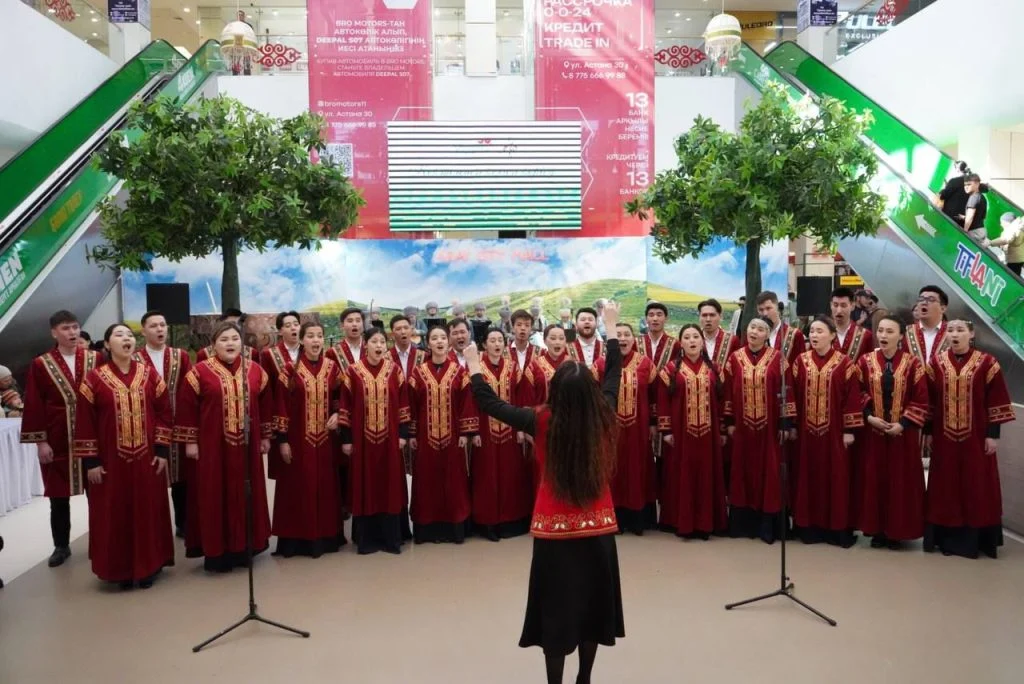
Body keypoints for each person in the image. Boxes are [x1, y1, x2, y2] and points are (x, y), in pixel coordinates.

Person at [465, 301, 624, 684]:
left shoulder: (539, 419)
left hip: (553, 532)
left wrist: (473, 365)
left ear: (553, 390)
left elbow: (490, 404)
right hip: (598, 527)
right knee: (593, 609)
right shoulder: (603, 412)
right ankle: (584, 678)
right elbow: (614, 374)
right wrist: (612, 327)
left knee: (556, 609)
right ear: (589, 390)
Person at [72, 324, 175, 589]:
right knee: (113, 512)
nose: (126, 339)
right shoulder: (93, 380)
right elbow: (85, 421)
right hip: (109, 462)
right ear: (107, 344)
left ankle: (149, 566)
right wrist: (91, 461)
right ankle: (117, 570)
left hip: (147, 458)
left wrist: (162, 450)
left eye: (129, 335)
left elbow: (164, 413)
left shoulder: (150, 376)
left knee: (148, 510)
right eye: (119, 335)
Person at [176, 321, 274, 572]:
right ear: (213, 345)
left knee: (247, 493)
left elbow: (265, 405)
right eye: (224, 339)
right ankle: (217, 552)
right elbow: (187, 409)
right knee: (213, 495)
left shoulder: (255, 371)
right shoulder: (198, 373)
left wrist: (264, 436)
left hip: (247, 448)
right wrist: (190, 442)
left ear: (242, 343)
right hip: (212, 448)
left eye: (234, 338)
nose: (230, 343)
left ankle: (246, 547)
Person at [924, 319, 1014, 559]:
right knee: (945, 488)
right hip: (944, 438)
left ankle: (977, 541)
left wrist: (992, 435)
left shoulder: (987, 363)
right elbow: (929, 402)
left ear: (971, 334)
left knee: (977, 486)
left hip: (976, 438)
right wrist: (929, 432)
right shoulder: (937, 364)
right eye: (951, 330)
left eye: (960, 330)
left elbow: (996, 400)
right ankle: (944, 538)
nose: (955, 334)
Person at [20, 310, 101, 567]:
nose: (73, 333)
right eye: (66, 328)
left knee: (98, 492)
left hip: (93, 438)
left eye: (75, 327)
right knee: (58, 496)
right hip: (57, 438)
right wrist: (41, 442)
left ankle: (100, 540)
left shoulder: (95, 358)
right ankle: (61, 545)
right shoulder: (41, 364)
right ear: (54, 332)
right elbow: (34, 403)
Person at [853, 316, 929, 549]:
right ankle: (876, 530)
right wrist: (869, 417)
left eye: (889, 331)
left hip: (902, 435)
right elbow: (857, 391)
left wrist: (903, 424)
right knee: (875, 479)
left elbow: (921, 399)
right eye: (881, 331)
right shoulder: (865, 362)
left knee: (900, 481)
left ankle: (897, 531)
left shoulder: (913, 364)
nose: (883, 336)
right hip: (874, 432)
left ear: (901, 336)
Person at [271, 322, 346, 557]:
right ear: (302, 340)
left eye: (320, 336)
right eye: (311, 336)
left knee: (326, 487)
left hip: (325, 441)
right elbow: (280, 406)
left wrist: (336, 413)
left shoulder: (333, 368)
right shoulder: (289, 371)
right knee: (297, 488)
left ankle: (326, 538)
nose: (315, 340)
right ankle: (296, 541)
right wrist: (282, 440)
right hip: (297, 440)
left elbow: (340, 397)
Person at [790, 316, 863, 548]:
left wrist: (849, 429)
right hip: (805, 433)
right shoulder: (799, 362)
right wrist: (790, 424)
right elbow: (791, 394)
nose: (814, 335)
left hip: (834, 433)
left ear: (832, 335)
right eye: (812, 331)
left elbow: (852, 398)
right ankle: (807, 528)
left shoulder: (845, 363)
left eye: (820, 331)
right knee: (807, 478)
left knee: (836, 479)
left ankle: (836, 530)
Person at [721, 318, 795, 543]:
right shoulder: (734, 359)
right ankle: (742, 525)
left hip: (770, 428)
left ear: (767, 335)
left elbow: (787, 391)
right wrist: (730, 421)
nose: (755, 332)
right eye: (752, 327)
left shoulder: (779, 360)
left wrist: (786, 423)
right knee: (741, 473)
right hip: (742, 429)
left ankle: (767, 526)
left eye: (761, 329)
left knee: (769, 475)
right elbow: (728, 393)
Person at [340, 327, 412, 554]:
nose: (379, 346)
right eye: (374, 342)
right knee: (366, 485)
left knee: (390, 486)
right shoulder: (352, 372)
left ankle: (392, 538)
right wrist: (347, 439)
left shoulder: (394, 371)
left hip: (391, 440)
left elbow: (403, 405)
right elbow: (345, 407)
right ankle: (367, 540)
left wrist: (402, 435)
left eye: (382, 342)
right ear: (366, 344)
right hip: (362, 442)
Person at [407, 325, 478, 544]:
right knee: (426, 482)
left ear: (448, 343)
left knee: (454, 482)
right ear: (428, 343)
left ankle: (454, 528)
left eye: (442, 338)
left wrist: (466, 432)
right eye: (434, 338)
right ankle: (426, 529)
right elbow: (411, 404)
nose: (439, 342)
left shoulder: (460, 372)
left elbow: (467, 403)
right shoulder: (418, 373)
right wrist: (411, 433)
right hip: (424, 438)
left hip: (453, 437)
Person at [656, 323, 727, 539]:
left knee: (708, 475)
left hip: (709, 434)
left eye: (696, 336)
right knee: (680, 476)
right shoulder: (669, 370)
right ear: (681, 343)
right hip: (680, 435)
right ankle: (681, 522)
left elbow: (723, 400)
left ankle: (706, 524)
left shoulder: (715, 369)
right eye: (686, 337)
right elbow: (662, 401)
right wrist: (666, 430)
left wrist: (723, 428)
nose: (692, 341)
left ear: (702, 341)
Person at [469, 328, 534, 540]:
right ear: (484, 345)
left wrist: (523, 429)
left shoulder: (513, 368)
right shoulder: (475, 368)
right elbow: (471, 401)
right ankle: (488, 523)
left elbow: (520, 398)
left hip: (511, 432)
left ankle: (511, 521)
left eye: (500, 340)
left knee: (511, 476)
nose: (497, 344)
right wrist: (474, 430)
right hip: (485, 433)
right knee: (486, 477)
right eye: (492, 340)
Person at [134, 310, 192, 538]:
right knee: (150, 476)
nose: (160, 329)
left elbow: (189, 391)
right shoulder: (136, 358)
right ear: (143, 331)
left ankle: (183, 523)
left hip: (177, 421)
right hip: (146, 424)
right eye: (154, 326)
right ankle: (153, 527)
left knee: (180, 477)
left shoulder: (181, 356)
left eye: (162, 325)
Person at [594, 323, 655, 535]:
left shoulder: (645, 363)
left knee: (637, 470)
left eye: (626, 334)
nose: (622, 338)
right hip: (610, 429)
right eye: (618, 334)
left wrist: (655, 424)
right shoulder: (601, 364)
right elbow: (593, 396)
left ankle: (638, 520)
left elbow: (655, 396)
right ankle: (613, 519)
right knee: (613, 471)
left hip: (638, 428)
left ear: (634, 339)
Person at [261, 311, 302, 481]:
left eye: (296, 324)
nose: (293, 327)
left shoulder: (310, 350)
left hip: (306, 416)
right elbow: (267, 390)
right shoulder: (269, 355)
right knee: (286, 469)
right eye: (288, 325)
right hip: (281, 416)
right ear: (280, 331)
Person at [902, 285, 951, 363]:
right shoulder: (905, 332)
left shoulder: (952, 333)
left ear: (943, 308)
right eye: (921, 299)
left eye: (931, 299)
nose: (924, 302)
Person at [756, 291, 806, 366]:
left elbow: (802, 368)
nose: (765, 313)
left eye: (768, 308)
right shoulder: (754, 335)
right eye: (761, 310)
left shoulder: (795, 335)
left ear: (777, 307)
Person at [528, 324, 571, 404]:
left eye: (561, 338)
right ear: (544, 341)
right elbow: (529, 397)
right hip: (543, 414)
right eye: (553, 338)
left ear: (565, 341)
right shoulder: (534, 366)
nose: (557, 342)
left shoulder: (573, 364)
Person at [830, 287, 874, 361]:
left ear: (852, 306)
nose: (839, 310)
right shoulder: (822, 333)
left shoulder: (865, 336)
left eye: (843, 305)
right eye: (835, 305)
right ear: (831, 305)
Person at [698, 298, 740, 372]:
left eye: (712, 315)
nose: (708, 319)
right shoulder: (692, 340)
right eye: (704, 315)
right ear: (699, 317)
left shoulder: (732, 341)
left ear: (720, 316)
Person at [637, 302, 679, 372]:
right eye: (651, 315)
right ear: (646, 319)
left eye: (659, 315)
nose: (655, 319)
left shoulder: (675, 345)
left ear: (666, 318)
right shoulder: (635, 343)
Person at [389, 314, 425, 380]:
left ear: (411, 331)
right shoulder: (386, 358)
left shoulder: (423, 355)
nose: (403, 332)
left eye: (406, 328)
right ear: (392, 334)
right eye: (398, 329)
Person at [962, 174, 988, 240]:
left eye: (969, 184)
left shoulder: (974, 197)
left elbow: (970, 216)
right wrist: (964, 217)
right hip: (981, 231)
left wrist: (964, 231)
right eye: (965, 185)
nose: (966, 187)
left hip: (974, 232)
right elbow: (981, 217)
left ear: (977, 184)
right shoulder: (982, 197)